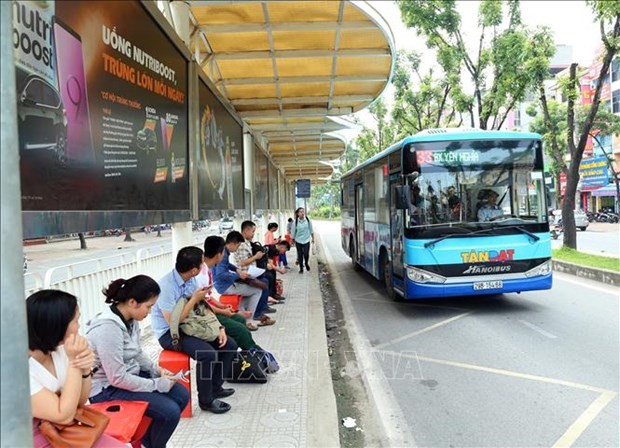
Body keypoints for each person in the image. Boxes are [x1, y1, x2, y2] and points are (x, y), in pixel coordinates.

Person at [86, 275, 190, 448]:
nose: (149, 312)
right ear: (132, 302)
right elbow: (117, 378)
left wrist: (157, 371)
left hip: (126, 376)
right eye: (148, 307)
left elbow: (136, 352)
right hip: (106, 389)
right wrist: (157, 384)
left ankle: (149, 441)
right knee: (169, 411)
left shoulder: (130, 319)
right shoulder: (107, 329)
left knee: (181, 395)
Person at [27, 290, 125, 447]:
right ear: (56, 325)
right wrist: (74, 362)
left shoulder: (59, 350)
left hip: (63, 430)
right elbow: (63, 415)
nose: (79, 326)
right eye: (76, 321)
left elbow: (79, 401)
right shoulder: (18, 371)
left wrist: (85, 369)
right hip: (31, 437)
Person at [151, 246, 238, 414]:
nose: (203, 266)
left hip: (193, 325)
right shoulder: (166, 287)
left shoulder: (192, 280)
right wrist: (193, 300)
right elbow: (173, 323)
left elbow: (203, 308)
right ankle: (206, 400)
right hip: (171, 333)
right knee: (208, 354)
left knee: (229, 345)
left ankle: (215, 387)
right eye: (201, 264)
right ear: (193, 270)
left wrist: (219, 327)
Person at [202, 236, 264, 348]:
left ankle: (251, 353)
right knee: (240, 331)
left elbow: (207, 298)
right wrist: (225, 311)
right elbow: (202, 305)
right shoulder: (202, 275)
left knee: (239, 320)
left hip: (209, 310)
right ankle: (254, 354)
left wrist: (223, 306)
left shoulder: (207, 270)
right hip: (206, 314)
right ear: (220, 254)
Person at [213, 231, 275, 328]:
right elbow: (221, 274)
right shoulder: (223, 253)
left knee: (252, 288)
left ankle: (242, 312)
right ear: (233, 244)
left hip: (224, 284)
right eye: (238, 246)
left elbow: (227, 265)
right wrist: (238, 275)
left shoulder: (223, 252)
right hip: (225, 287)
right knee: (257, 290)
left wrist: (236, 270)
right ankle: (249, 320)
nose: (238, 248)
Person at [234, 221, 281, 312]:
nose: (253, 234)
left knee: (268, 276)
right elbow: (242, 263)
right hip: (246, 274)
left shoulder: (247, 242)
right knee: (264, 281)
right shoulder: (241, 245)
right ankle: (259, 311)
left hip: (251, 272)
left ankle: (264, 305)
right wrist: (256, 257)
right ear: (246, 230)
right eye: (253, 231)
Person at [291, 207, 314, 273]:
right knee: (300, 254)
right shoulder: (295, 222)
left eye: (303, 211)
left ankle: (306, 263)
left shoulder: (308, 220)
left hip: (306, 240)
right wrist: (292, 240)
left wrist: (313, 238)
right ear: (298, 213)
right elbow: (293, 231)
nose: (302, 213)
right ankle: (301, 268)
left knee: (306, 254)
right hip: (298, 240)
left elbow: (311, 229)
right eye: (300, 212)